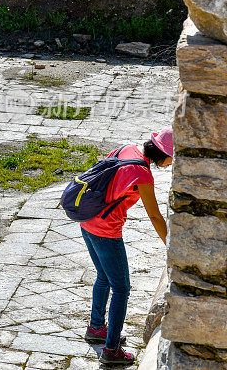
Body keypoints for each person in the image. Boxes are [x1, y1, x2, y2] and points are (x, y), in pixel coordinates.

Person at [81, 127, 173, 366]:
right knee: (121, 288)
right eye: (173, 158)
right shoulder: (143, 175)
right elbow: (154, 216)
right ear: (164, 154)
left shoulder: (127, 149)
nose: (172, 164)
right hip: (106, 231)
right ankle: (111, 351)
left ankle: (96, 327)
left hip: (87, 219)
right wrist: (171, 246)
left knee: (103, 276)